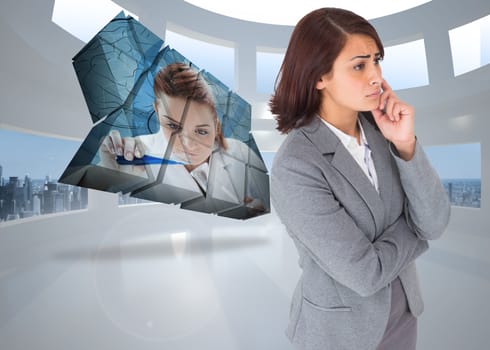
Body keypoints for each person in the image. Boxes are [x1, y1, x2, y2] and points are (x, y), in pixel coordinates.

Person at [269, 8, 450, 350]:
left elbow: (436, 221)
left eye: (377, 61)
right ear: (319, 76)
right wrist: (415, 230)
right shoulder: (296, 164)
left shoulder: (382, 131)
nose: (376, 77)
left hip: (403, 315)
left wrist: (405, 144)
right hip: (342, 333)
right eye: (359, 65)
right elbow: (365, 275)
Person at [98, 62, 269, 218]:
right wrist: (108, 178)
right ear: (157, 111)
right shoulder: (134, 159)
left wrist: (258, 214)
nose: (187, 145)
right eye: (173, 127)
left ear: (216, 123)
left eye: (201, 131)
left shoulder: (239, 152)